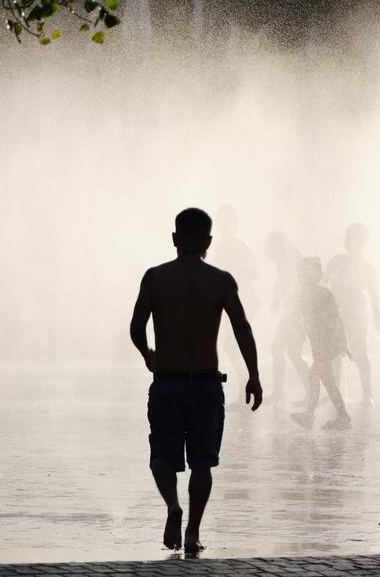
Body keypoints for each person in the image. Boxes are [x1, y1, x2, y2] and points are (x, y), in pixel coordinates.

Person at [130, 207, 262, 554]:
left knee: (161, 455)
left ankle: (172, 506)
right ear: (208, 242)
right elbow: (242, 328)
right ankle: (193, 532)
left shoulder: (155, 277)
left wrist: (147, 353)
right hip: (205, 384)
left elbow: (135, 326)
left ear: (174, 239)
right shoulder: (220, 280)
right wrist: (254, 375)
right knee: (202, 462)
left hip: (167, 381)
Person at [325, 223, 380, 405]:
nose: (356, 243)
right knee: (335, 354)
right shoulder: (337, 261)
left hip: (357, 313)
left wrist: (377, 317)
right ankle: (336, 394)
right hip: (336, 313)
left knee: (360, 353)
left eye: (360, 240)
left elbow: (374, 295)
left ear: (364, 243)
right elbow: (323, 281)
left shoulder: (368, 268)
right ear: (348, 240)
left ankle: (367, 395)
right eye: (353, 238)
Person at [291, 257, 352, 430]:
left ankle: (313, 416)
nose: (304, 277)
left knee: (317, 378)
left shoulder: (323, 294)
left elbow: (336, 318)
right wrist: (301, 328)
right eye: (303, 273)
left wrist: (343, 343)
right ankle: (340, 416)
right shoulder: (305, 295)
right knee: (327, 381)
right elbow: (301, 318)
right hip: (319, 344)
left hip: (326, 343)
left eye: (310, 273)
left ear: (318, 275)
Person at [210, 206, 260, 405]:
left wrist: (237, 267)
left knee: (233, 345)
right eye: (220, 222)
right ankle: (244, 389)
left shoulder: (242, 246)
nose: (223, 226)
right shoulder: (221, 246)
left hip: (245, 298)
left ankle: (244, 391)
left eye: (227, 222)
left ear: (235, 224)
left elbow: (255, 272)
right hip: (230, 298)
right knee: (231, 346)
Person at [264, 232, 309, 403]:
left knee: (292, 352)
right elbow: (281, 283)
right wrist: (276, 300)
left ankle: (311, 392)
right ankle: (279, 393)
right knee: (280, 350)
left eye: (273, 255)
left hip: (296, 312)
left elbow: (299, 287)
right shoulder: (286, 262)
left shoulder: (294, 262)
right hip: (291, 311)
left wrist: (299, 315)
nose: (273, 260)